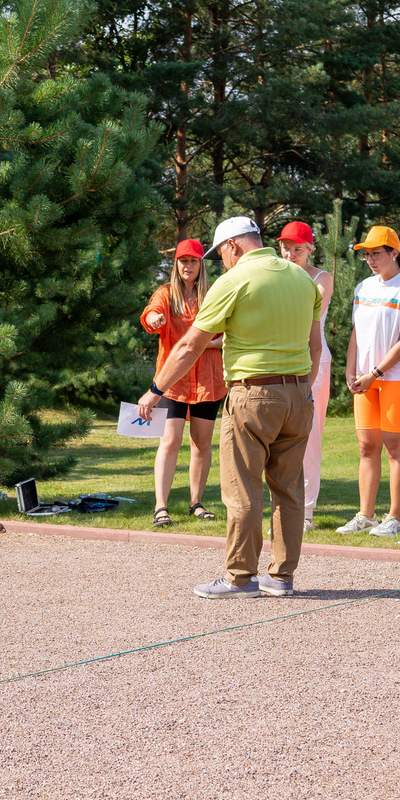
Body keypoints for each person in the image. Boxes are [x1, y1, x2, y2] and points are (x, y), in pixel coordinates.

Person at [153, 215, 325, 599]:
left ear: (233, 245)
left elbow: (189, 346)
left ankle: (240, 578)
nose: (221, 263)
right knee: (289, 490)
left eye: (220, 255)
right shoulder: (303, 279)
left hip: (252, 394)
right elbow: (315, 345)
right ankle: (281, 577)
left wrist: (155, 388)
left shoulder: (234, 281)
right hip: (298, 395)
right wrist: (304, 388)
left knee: (242, 489)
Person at [333, 226, 400, 536]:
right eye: (367, 255)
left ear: (395, 253)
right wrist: (351, 368)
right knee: (366, 446)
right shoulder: (363, 287)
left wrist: (375, 374)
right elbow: (356, 332)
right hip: (364, 380)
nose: (371, 259)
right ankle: (365, 515)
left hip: (395, 378)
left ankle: (395, 519)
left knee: (395, 448)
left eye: (376, 253)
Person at [135, 238, 225, 525]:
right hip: (172, 381)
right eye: (183, 261)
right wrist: (155, 318)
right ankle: (161, 506)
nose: (188, 266)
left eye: (194, 261)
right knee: (170, 440)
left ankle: (196, 503)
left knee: (202, 443)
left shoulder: (212, 295)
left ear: (201, 265)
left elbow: (227, 336)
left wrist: (202, 346)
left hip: (208, 381)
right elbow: (150, 313)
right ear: (176, 264)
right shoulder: (165, 293)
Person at [275, 221, 336, 528]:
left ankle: (307, 511)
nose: (291, 254)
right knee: (279, 437)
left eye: (298, 249)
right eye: (286, 248)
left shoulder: (321, 278)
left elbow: (307, 311)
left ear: (310, 249)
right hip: (281, 360)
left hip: (313, 360)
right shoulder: (275, 274)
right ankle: (283, 507)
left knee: (309, 435)